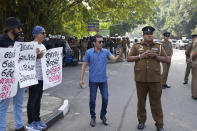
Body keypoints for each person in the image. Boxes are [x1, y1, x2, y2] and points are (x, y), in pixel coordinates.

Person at [127, 26, 170, 131]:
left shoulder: (159, 46)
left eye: (151, 34)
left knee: (156, 103)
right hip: (140, 79)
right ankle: (141, 121)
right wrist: (141, 56)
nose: (149, 36)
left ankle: (159, 124)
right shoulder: (137, 46)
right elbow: (128, 58)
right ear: (143, 36)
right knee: (141, 102)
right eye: (147, 34)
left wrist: (155, 56)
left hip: (155, 79)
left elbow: (167, 60)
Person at [79, 35, 122, 127]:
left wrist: (119, 55)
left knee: (105, 98)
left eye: (102, 42)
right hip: (93, 81)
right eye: (99, 42)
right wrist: (81, 80)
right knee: (92, 100)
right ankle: (93, 117)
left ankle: (103, 116)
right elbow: (83, 66)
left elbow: (114, 59)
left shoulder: (105, 52)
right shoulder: (88, 52)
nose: (101, 43)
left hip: (103, 80)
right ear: (94, 43)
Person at [0, 17, 26, 131]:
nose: (20, 30)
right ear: (11, 29)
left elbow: (25, 57)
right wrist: (7, 52)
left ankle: (19, 126)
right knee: (3, 106)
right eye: (18, 27)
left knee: (19, 103)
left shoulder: (19, 42)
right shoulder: (1, 40)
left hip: (19, 77)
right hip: (6, 79)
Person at [26, 26, 47, 131]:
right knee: (32, 100)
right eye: (43, 33)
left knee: (38, 99)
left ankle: (37, 119)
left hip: (42, 77)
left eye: (45, 33)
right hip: (33, 77)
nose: (44, 35)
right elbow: (25, 61)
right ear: (37, 34)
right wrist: (35, 55)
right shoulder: (29, 45)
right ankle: (30, 122)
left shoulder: (43, 45)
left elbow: (46, 60)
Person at [190, 32, 197, 99]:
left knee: (194, 78)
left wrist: (191, 59)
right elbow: (194, 53)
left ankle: (194, 94)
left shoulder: (195, 42)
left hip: (195, 63)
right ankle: (195, 94)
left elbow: (194, 53)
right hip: (195, 63)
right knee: (195, 79)